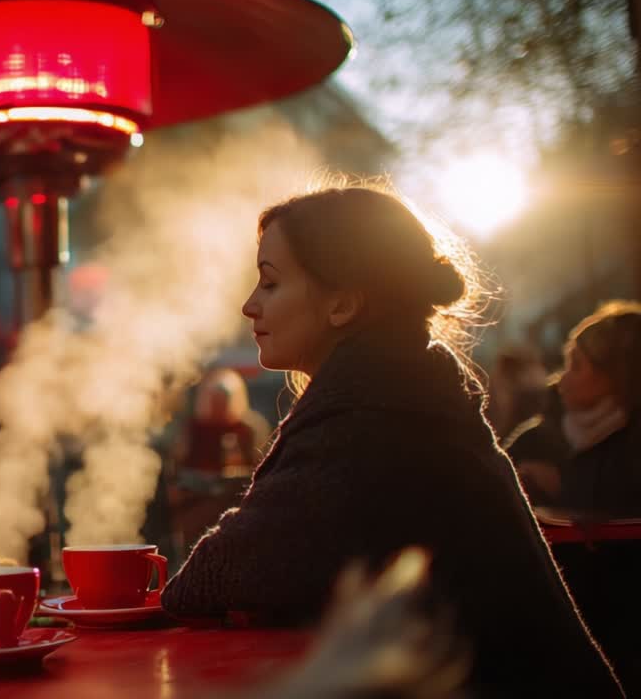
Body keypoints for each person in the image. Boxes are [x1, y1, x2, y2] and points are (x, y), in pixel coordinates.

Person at [160, 187, 621, 697]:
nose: (249, 305)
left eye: (270, 282)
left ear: (343, 304)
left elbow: (206, 580)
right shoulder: (402, 395)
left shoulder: (371, 417)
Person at [510, 301, 641, 516]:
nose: (561, 379)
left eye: (577, 365)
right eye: (566, 362)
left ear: (617, 375)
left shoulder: (633, 446)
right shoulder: (535, 438)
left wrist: (565, 488)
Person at [174, 367, 270, 477]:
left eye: (222, 402)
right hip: (197, 486)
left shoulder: (248, 428)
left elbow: (259, 464)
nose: (218, 407)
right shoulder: (194, 427)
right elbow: (180, 461)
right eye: (214, 402)